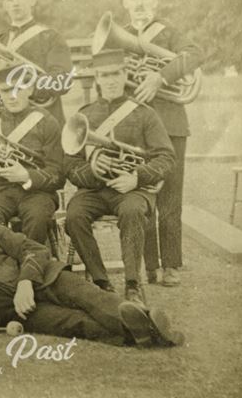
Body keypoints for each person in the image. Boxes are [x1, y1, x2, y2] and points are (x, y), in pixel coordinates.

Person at [0, 180, 184, 348]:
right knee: (74, 324)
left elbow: (33, 249)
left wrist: (25, 282)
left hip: (44, 277)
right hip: (13, 312)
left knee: (91, 296)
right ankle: (146, 332)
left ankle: (150, 326)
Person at [64, 49, 175, 305]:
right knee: (74, 216)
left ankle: (133, 284)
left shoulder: (144, 113)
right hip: (94, 191)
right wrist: (93, 170)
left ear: (124, 75)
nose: (111, 80)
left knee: (133, 212)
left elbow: (167, 157)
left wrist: (137, 177)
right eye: (105, 75)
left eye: (116, 73)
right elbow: (69, 163)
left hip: (134, 190)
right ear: (98, 79)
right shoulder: (85, 115)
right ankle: (102, 282)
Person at [119, 0, 202, 287]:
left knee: (169, 197)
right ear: (125, 2)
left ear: (155, 0)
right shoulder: (120, 35)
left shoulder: (168, 31)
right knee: (142, 194)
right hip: (135, 128)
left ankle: (171, 266)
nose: (140, 3)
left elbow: (195, 54)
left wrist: (160, 77)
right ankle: (150, 266)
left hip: (171, 124)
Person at [0, 58, 64, 244]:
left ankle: (31, 268)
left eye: (18, 88)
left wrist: (26, 176)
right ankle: (2, 269)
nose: (12, 96)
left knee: (37, 217)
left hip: (37, 193)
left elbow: (58, 175)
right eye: (5, 90)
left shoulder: (47, 121)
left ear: (29, 89)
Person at [0, 0, 73, 124]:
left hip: (42, 121)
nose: (15, 3)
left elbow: (63, 80)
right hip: (6, 123)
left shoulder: (51, 37)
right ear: (4, 5)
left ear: (32, 0)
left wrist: (26, 85)